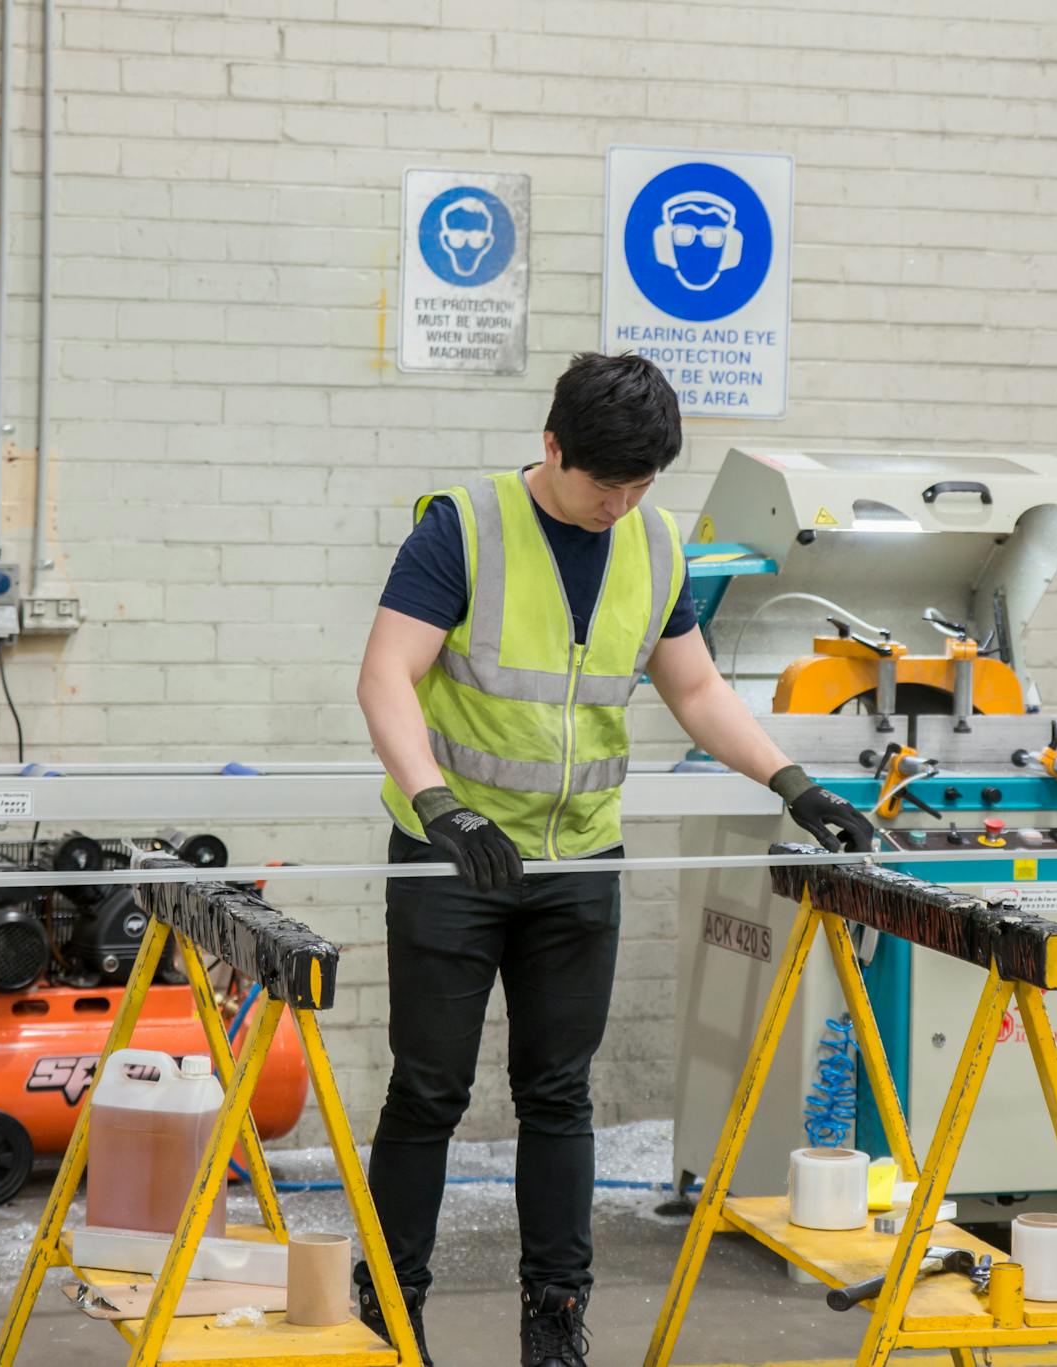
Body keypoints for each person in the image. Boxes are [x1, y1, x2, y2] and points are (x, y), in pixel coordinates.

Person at [354, 351, 875, 1366]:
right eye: (606, 484)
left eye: (642, 485)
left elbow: (694, 690)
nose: (621, 504)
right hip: (451, 854)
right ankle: (389, 1303)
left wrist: (793, 782)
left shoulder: (653, 540)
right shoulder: (461, 526)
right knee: (428, 1089)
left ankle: (554, 1322)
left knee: (558, 1092)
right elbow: (385, 674)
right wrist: (437, 806)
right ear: (552, 448)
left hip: (577, 859)